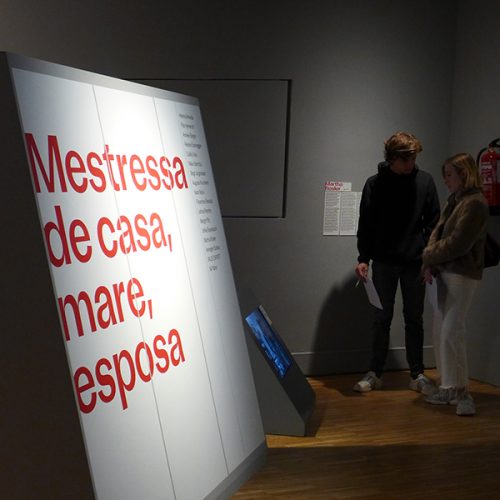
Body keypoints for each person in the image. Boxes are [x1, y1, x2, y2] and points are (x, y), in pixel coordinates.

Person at [354, 131, 440, 394]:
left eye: (414, 158)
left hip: (416, 262)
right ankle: (375, 373)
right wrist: (363, 258)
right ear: (392, 158)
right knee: (381, 317)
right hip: (384, 262)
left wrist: (428, 257)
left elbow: (434, 223)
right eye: (406, 160)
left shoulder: (425, 181)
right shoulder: (375, 184)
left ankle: (417, 374)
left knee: (414, 318)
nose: (411, 164)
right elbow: (366, 224)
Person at [422, 153, 488, 416]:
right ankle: (449, 387)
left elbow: (458, 243)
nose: (445, 180)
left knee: (452, 332)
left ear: (464, 173)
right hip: (445, 273)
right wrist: (430, 262)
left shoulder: (475, 203)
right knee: (442, 332)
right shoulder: (455, 201)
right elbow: (438, 234)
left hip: (461, 274)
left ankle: (461, 391)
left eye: (449, 174)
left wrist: (428, 256)